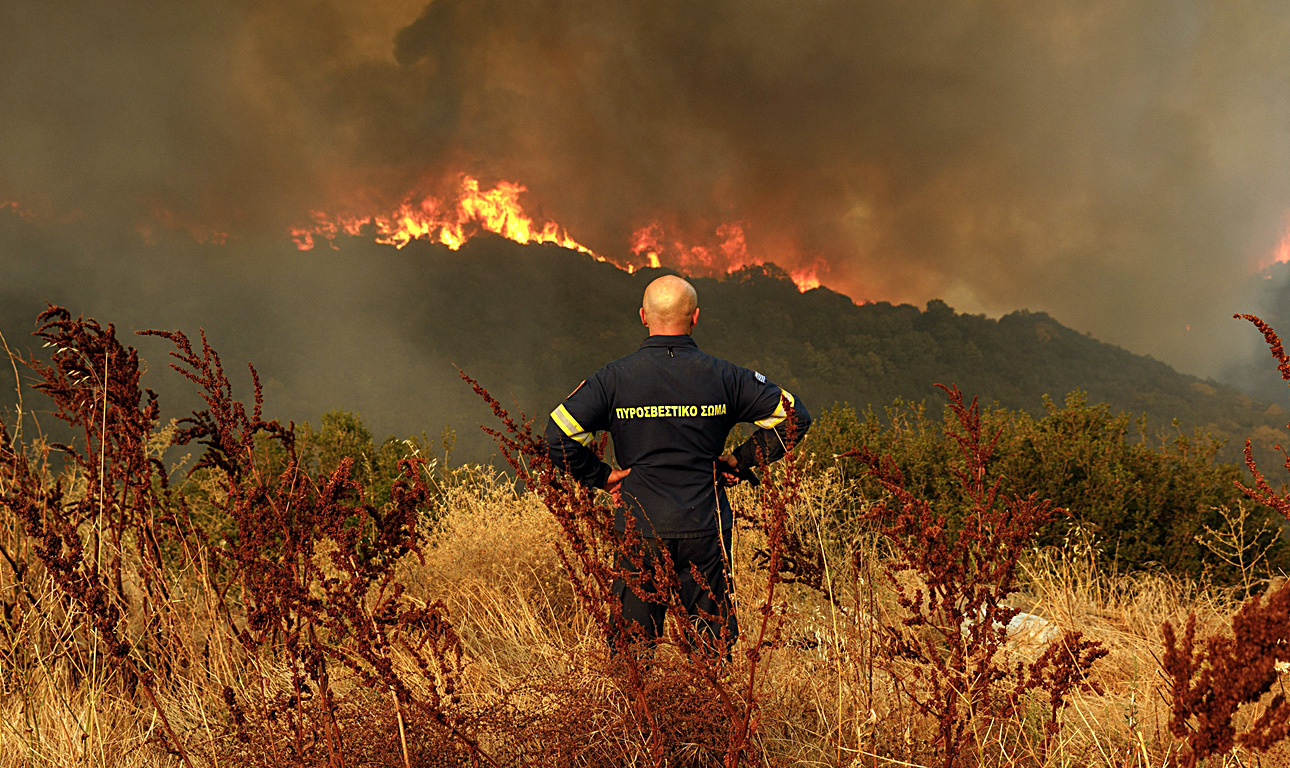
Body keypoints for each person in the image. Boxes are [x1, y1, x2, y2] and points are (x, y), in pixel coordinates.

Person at [545, 274, 811, 653]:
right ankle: (706, 712)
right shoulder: (726, 376)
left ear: (643, 316)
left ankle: (637, 714)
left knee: (632, 654)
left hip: (641, 528)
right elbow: (795, 416)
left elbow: (557, 436)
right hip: (705, 528)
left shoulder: (614, 379)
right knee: (710, 650)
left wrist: (602, 477)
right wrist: (741, 458)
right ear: (696, 317)